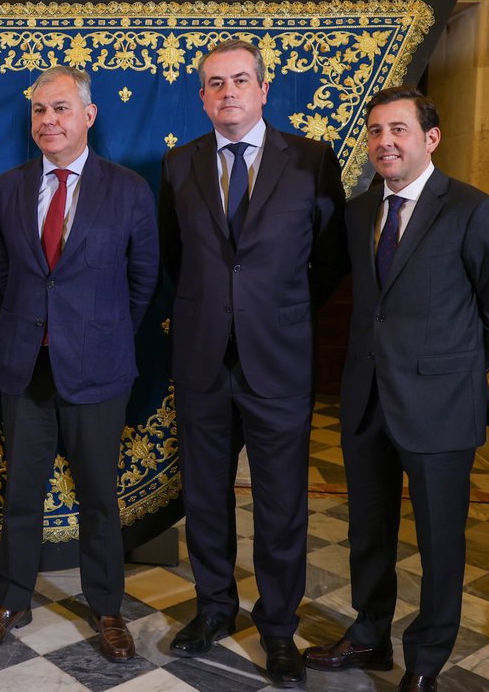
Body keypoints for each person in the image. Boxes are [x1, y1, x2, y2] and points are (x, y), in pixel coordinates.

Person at [302, 87, 489, 692]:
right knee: (368, 532)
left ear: (431, 138)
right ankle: (369, 636)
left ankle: (425, 661)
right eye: (375, 132)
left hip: (440, 408)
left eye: (398, 130)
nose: (385, 142)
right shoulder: (357, 212)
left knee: (439, 542)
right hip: (368, 399)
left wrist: (453, 373)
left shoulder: (473, 211)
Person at [158, 38, 347, 687]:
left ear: (264, 90)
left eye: (241, 80)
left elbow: (329, 257)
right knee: (207, 498)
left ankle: (278, 628)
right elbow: (172, 258)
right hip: (203, 359)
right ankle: (214, 609)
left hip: (279, 361)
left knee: (281, 504)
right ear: (202, 96)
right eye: (215, 83)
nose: (228, 92)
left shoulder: (312, 161)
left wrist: (278, 310)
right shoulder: (178, 165)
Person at [0, 65, 159, 662]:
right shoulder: (8, 187)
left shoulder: (128, 189)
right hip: (24, 367)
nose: (48, 121)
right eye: (39, 111)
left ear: (88, 116)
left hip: (98, 368)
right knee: (21, 494)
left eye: (60, 109)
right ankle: (11, 600)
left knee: (99, 498)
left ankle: (106, 608)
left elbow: (142, 279)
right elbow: (4, 272)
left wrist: (91, 330)